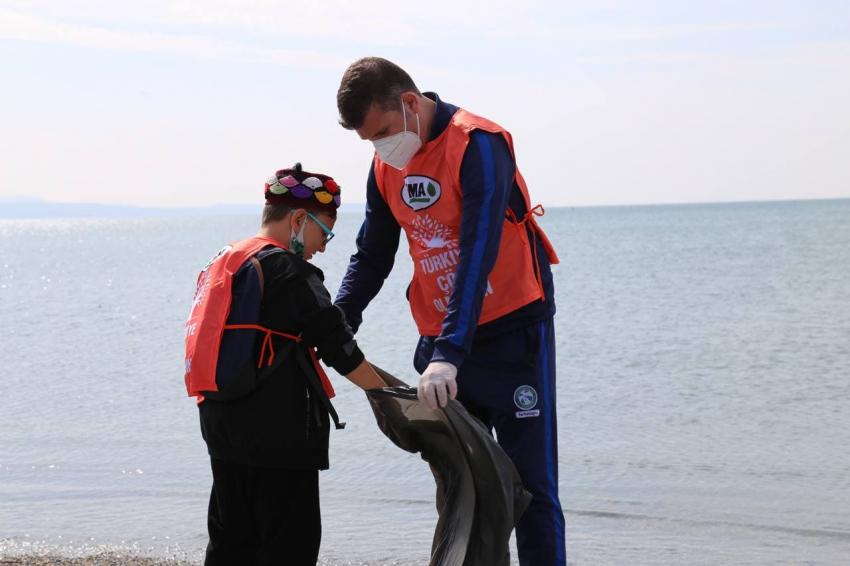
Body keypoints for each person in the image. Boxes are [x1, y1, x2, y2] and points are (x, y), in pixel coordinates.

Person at [334, 57, 566, 565]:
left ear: (411, 103)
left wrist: (449, 353)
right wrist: (337, 320)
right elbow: (373, 254)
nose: (381, 147)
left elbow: (477, 250)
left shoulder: (478, 143)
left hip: (511, 335)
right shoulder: (386, 166)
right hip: (443, 344)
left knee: (530, 487)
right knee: (466, 487)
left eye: (384, 132)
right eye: (370, 141)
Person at [183, 163, 385, 566]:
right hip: (279, 436)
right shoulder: (289, 272)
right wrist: (387, 395)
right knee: (289, 546)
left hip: (221, 425)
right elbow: (339, 348)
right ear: (297, 219)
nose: (324, 246)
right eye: (324, 232)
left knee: (230, 543)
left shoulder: (225, 261)